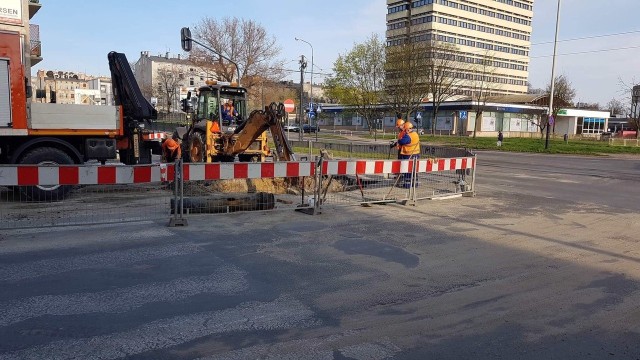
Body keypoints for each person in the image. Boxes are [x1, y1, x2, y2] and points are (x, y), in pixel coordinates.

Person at [397, 121, 421, 188]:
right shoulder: (415, 134)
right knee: (414, 170)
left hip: (408, 155)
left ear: (408, 129)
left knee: (408, 170)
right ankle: (415, 184)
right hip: (416, 154)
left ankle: (407, 185)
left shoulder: (408, 136)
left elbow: (402, 141)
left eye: (405, 129)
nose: (405, 131)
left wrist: (399, 141)